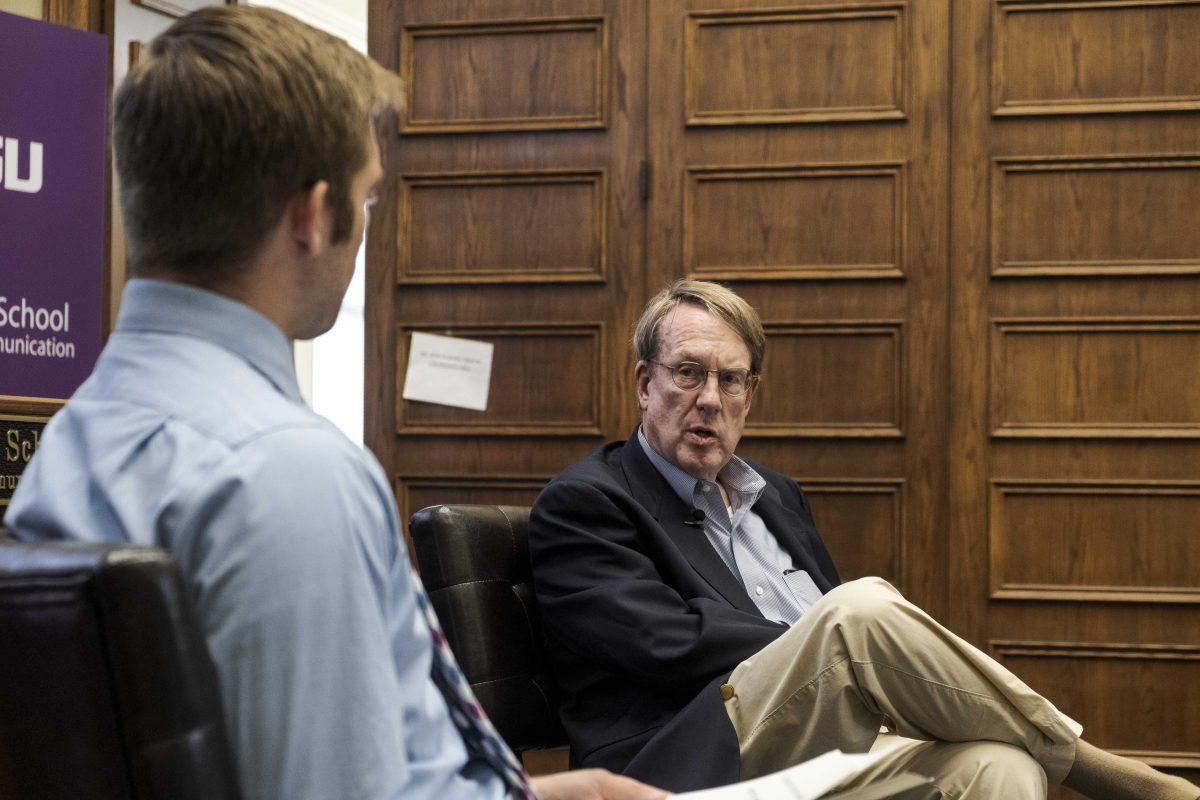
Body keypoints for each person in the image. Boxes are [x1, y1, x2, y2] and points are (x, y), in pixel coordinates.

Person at [3, 8, 664, 800]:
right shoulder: (288, 472)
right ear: (313, 216)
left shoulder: (75, 442)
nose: (367, 226)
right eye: (370, 198)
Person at [529, 279, 1200, 799]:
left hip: (820, 748)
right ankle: (1108, 776)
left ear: (749, 396)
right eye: (687, 372)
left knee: (999, 765)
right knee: (858, 612)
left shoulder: (777, 497)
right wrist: (838, 658)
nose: (709, 397)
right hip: (685, 764)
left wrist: (849, 672)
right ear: (645, 384)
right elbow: (670, 646)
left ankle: (1050, 757)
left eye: (729, 379)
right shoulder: (589, 501)